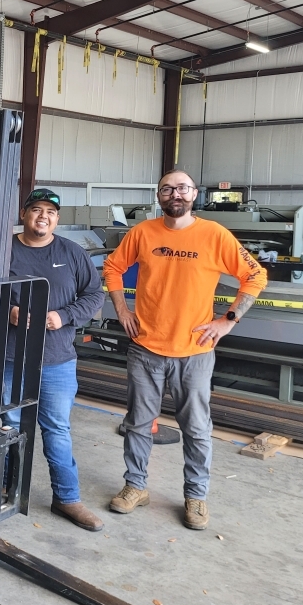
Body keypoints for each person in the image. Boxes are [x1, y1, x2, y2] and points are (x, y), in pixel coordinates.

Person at [103, 170, 266, 530]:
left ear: (194, 194)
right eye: (167, 188)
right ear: (159, 196)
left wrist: (228, 320)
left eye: (182, 188)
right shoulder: (142, 233)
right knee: (139, 424)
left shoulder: (214, 235)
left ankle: (196, 496)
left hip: (194, 352)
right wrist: (122, 310)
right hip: (146, 349)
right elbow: (113, 267)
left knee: (195, 428)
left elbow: (256, 276)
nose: (175, 193)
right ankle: (135, 486)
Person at [4, 188, 105, 531]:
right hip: (9, 358)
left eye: (49, 211)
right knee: (8, 427)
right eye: (36, 210)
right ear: (24, 213)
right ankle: (4, 491)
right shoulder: (4, 251)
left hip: (56, 359)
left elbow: (94, 296)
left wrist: (64, 316)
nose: (42, 216)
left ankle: (68, 498)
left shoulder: (72, 253)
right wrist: (11, 311)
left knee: (57, 429)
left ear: (57, 218)